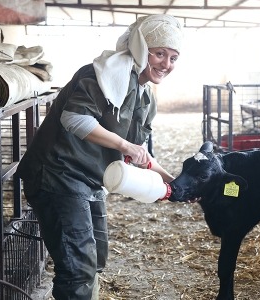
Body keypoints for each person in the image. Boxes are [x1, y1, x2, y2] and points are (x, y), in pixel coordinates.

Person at [16, 14, 183, 300]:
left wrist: (173, 181)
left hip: (91, 180)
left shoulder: (145, 97)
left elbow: (138, 153)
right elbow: (74, 119)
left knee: (96, 259)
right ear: (142, 48)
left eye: (173, 57)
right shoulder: (101, 74)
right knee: (78, 266)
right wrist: (125, 146)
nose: (166, 64)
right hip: (58, 173)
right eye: (159, 54)